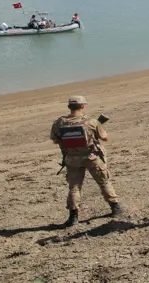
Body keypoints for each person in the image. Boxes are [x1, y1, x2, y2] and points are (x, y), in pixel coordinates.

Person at [50, 96, 123, 227]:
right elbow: (105, 138)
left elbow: (55, 140)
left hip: (72, 159)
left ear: (69, 107)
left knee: (74, 187)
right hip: (92, 157)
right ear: (83, 106)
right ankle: (115, 208)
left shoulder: (58, 123)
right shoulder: (91, 122)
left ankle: (73, 217)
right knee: (104, 182)